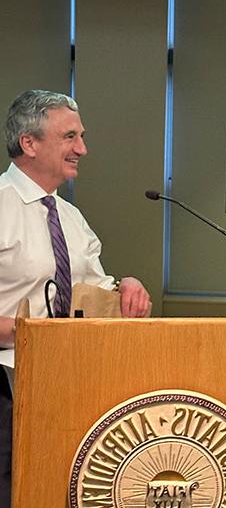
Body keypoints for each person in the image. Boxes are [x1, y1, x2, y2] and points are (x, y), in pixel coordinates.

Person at [0, 89, 152, 507]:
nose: (82, 149)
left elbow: (94, 287)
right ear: (29, 143)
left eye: (81, 137)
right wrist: (25, 331)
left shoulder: (69, 216)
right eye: (70, 137)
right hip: (6, 385)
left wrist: (127, 288)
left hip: (67, 378)